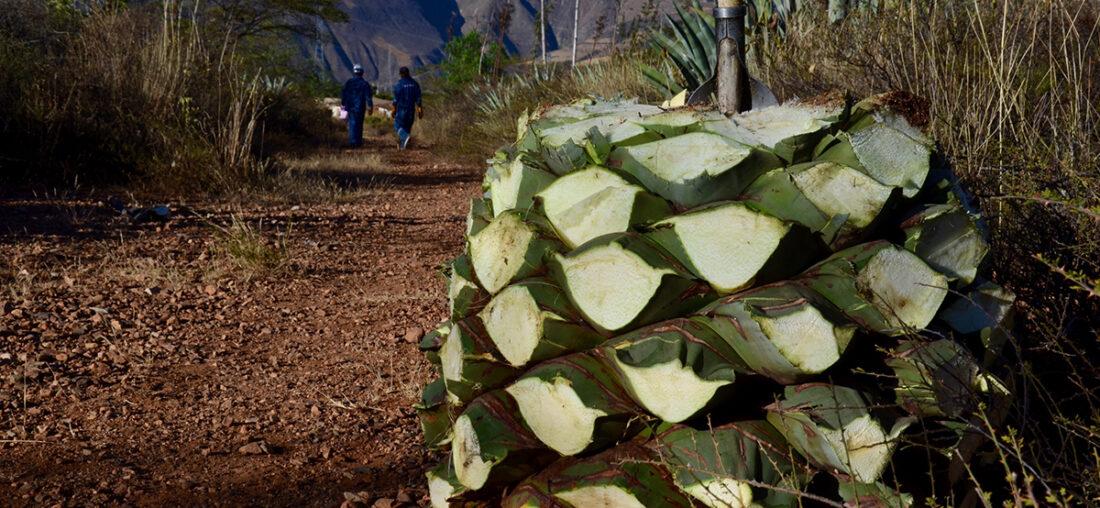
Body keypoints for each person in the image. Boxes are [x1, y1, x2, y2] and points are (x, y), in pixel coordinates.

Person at [341, 64, 373, 148]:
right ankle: (357, 142)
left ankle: (353, 142)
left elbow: (343, 95)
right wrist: (370, 107)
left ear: (354, 72)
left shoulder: (349, 82)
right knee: (359, 124)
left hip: (350, 107)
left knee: (352, 124)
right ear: (362, 73)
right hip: (360, 107)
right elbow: (368, 97)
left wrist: (343, 107)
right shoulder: (365, 84)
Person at [392, 67, 423, 150]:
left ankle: (405, 138)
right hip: (411, 110)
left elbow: (395, 99)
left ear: (401, 74)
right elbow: (418, 99)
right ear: (408, 73)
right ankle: (403, 147)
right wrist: (420, 110)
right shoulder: (415, 84)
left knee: (397, 126)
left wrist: (394, 110)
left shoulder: (399, 84)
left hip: (401, 109)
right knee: (407, 127)